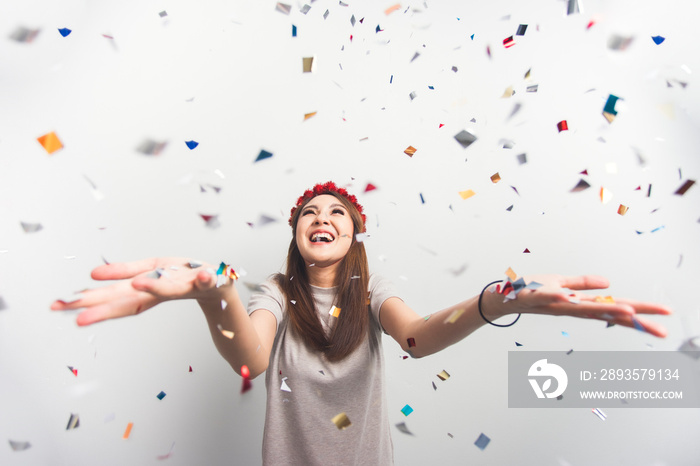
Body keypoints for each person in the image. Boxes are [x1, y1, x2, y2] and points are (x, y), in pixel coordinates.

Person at [51, 181, 671, 465]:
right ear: (298, 234)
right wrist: (213, 295)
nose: (322, 218)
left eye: (336, 213)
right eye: (309, 214)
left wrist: (496, 302)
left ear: (352, 235)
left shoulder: (374, 293)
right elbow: (254, 358)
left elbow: (418, 335)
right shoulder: (272, 292)